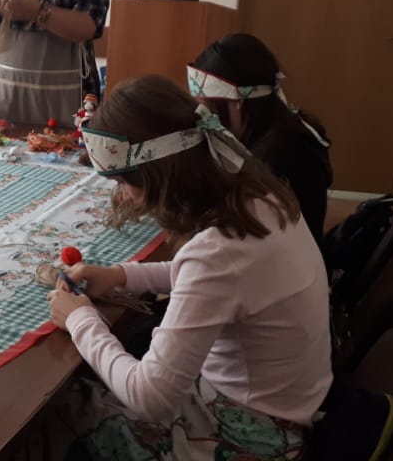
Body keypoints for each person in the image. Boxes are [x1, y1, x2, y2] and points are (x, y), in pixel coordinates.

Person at [48, 75, 331, 459]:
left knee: (61, 414)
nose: (122, 195)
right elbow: (214, 282)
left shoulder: (218, 253)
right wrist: (121, 276)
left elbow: (150, 397)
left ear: (159, 175)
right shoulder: (261, 198)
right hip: (285, 403)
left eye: (124, 182)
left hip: (251, 435)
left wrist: (81, 320)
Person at [190, 33, 333, 241]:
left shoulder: (280, 155)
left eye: (211, 109)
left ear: (237, 102)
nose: (208, 120)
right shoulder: (287, 128)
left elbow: (239, 229)